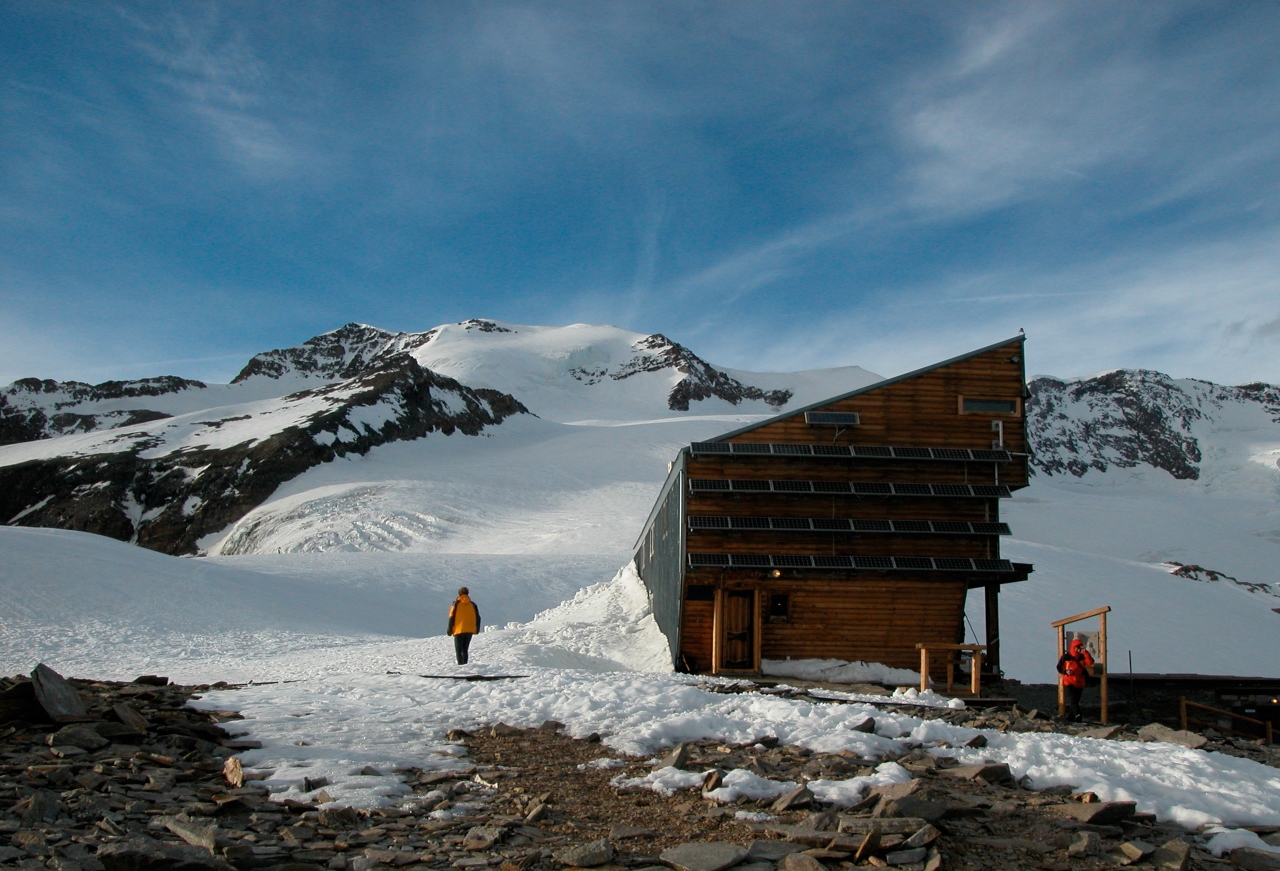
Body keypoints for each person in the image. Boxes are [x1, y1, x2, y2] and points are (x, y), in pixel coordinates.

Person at [1057, 638, 1095, 722]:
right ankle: (1078, 714)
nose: (1078, 649)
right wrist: (1065, 672)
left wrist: (1085, 652)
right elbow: (1059, 667)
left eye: (1080, 647)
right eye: (1077, 647)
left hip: (1079, 682)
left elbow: (1090, 662)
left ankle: (1070, 717)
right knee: (1073, 699)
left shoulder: (1082, 656)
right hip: (1069, 681)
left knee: (1075, 700)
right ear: (1073, 647)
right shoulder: (1066, 657)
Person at [447, 587, 481, 666]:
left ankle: (460, 665)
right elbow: (478, 617)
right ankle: (465, 665)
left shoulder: (455, 604)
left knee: (459, 650)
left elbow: (451, 617)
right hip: (470, 630)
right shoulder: (473, 604)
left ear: (459, 594)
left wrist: (449, 629)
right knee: (465, 649)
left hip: (458, 630)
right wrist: (476, 629)